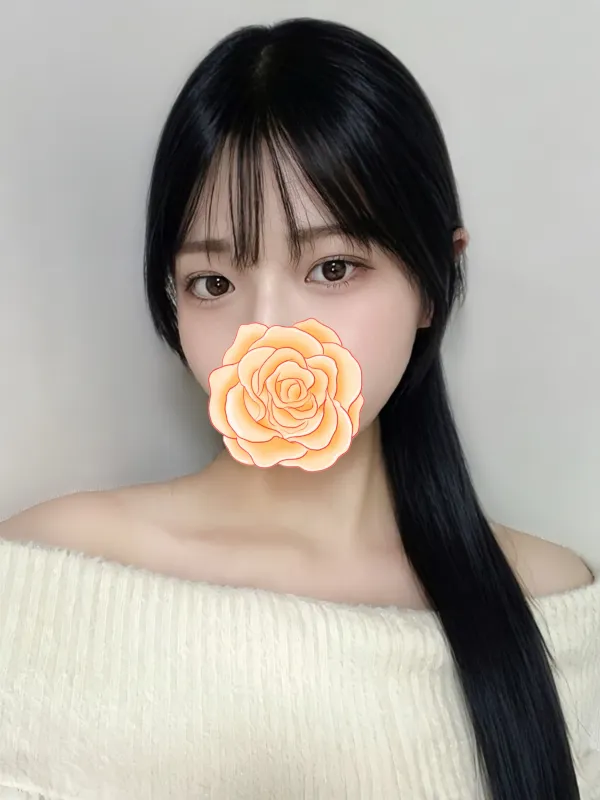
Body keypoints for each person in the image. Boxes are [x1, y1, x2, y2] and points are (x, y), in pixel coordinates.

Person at [0, 17, 598, 800]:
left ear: (434, 283)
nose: (269, 333)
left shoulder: (555, 607)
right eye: (213, 283)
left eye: (334, 268)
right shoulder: (43, 579)